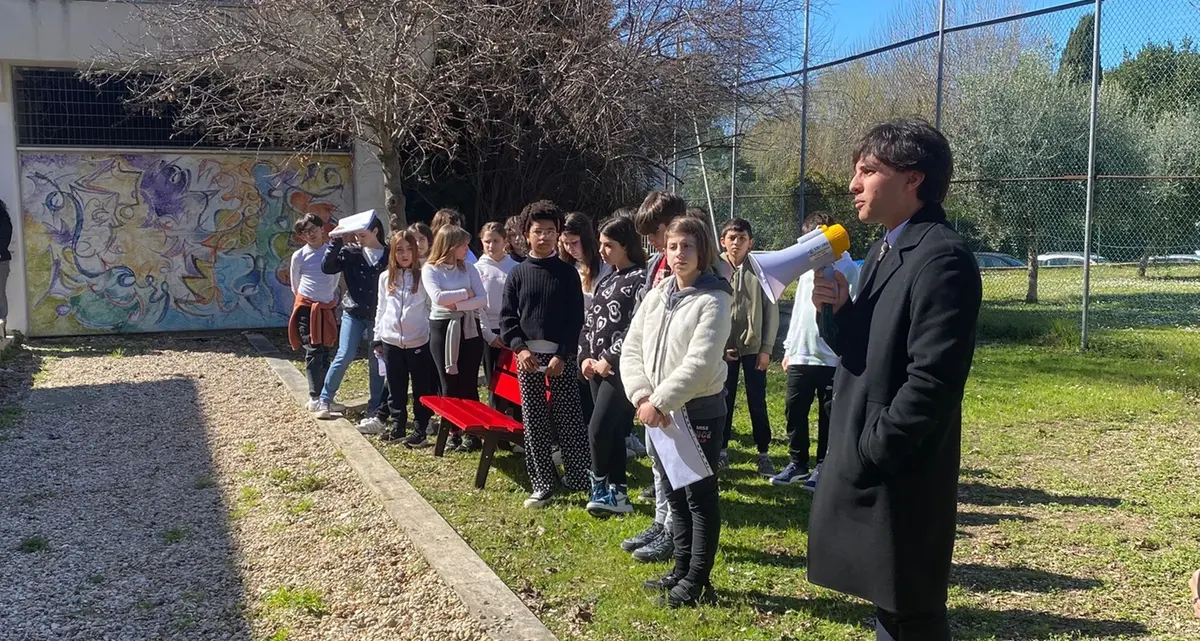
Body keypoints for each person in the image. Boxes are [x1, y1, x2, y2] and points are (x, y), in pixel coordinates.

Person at [808, 118, 982, 641]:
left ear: (913, 178)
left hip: (901, 472)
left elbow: (934, 380)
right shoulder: (888, 248)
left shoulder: (943, 257)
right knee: (893, 606)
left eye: (868, 171)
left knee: (912, 610)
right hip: (875, 461)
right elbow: (866, 351)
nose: (853, 185)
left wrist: (874, 448)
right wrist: (837, 312)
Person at [621, 215, 733, 608]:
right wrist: (642, 397)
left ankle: (697, 581)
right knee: (675, 494)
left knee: (699, 497)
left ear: (703, 251)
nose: (679, 253)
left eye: (688, 246)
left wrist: (659, 402)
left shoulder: (715, 299)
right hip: (657, 412)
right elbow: (632, 348)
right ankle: (681, 568)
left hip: (696, 412)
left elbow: (700, 363)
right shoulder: (657, 295)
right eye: (672, 246)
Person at [500, 200, 589, 509]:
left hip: (560, 358)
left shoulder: (567, 274)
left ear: (558, 234)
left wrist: (562, 355)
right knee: (535, 423)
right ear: (527, 234)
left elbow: (575, 320)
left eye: (551, 231)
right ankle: (542, 484)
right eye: (538, 231)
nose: (544, 237)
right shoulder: (517, 274)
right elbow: (507, 319)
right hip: (527, 358)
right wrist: (520, 348)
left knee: (569, 418)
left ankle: (579, 477)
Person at [771, 211, 860, 489]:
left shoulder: (849, 269)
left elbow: (852, 308)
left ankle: (824, 465)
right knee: (794, 410)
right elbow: (799, 311)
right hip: (801, 354)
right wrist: (789, 347)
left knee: (828, 415)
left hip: (832, 358)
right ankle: (797, 463)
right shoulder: (806, 273)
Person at [620, 189, 686, 563]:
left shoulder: (698, 268)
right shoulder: (656, 265)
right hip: (652, 375)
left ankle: (675, 531)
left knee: (675, 461)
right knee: (656, 456)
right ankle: (661, 522)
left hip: (677, 384)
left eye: (655, 233)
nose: (653, 243)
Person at [580, 213, 647, 516]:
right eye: (601, 244)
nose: (602, 251)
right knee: (614, 431)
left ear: (626, 245)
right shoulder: (607, 278)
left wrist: (610, 358)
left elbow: (637, 327)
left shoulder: (641, 279)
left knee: (597, 429)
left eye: (609, 245)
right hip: (595, 368)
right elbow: (590, 323)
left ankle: (598, 485)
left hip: (619, 370)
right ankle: (618, 493)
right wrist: (584, 356)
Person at [718, 218, 780, 476]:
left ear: (750, 242)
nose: (736, 243)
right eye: (732, 238)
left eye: (742, 238)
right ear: (723, 241)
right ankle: (721, 451)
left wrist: (766, 348)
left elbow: (771, 310)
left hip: (754, 347)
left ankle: (763, 453)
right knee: (724, 398)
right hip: (724, 348)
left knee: (757, 399)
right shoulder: (714, 267)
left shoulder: (761, 270)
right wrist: (719, 347)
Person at [314, 216, 390, 425]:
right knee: (345, 354)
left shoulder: (389, 254)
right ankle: (325, 400)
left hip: (378, 315)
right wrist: (336, 241)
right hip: (353, 311)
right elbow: (327, 267)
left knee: (376, 360)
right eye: (356, 235)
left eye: (362, 235)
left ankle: (375, 407)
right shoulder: (350, 252)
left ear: (376, 231)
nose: (358, 239)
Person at [422, 224, 488, 452]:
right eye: (462, 245)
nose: (466, 249)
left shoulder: (469, 268)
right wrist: (466, 293)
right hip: (443, 327)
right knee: (448, 381)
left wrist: (458, 304)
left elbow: (482, 299)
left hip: (469, 326)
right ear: (450, 246)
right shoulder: (431, 269)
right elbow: (438, 298)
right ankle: (452, 431)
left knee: (469, 380)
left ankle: (473, 432)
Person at [373, 230, 439, 445]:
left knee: (421, 387)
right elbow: (381, 308)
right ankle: (398, 425)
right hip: (391, 341)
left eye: (409, 249)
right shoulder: (385, 278)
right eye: (399, 250)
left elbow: (431, 307)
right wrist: (378, 337)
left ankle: (421, 428)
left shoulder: (424, 276)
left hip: (418, 341)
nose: (404, 254)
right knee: (395, 386)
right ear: (393, 253)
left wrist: (428, 333)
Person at [560, 212, 611, 428]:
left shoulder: (604, 265)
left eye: (574, 242)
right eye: (565, 243)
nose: (570, 248)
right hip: (572, 334)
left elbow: (602, 301)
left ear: (586, 239)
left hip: (596, 335)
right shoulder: (567, 265)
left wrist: (575, 298)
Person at [288, 214, 342, 410]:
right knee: (313, 351)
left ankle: (326, 397)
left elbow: (335, 279)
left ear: (322, 229)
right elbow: (295, 283)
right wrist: (308, 300)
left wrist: (326, 298)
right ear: (301, 236)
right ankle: (314, 396)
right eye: (305, 232)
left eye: (313, 229)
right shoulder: (299, 256)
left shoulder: (332, 253)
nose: (310, 234)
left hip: (326, 307)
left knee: (326, 350)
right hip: (306, 308)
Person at [475, 222, 519, 414]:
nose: (491, 246)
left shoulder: (516, 267)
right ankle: (496, 419)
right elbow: (477, 307)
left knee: (515, 382)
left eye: (496, 241)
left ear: (504, 241)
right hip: (490, 332)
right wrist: (488, 335)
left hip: (513, 330)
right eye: (487, 241)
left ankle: (517, 420)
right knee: (495, 381)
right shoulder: (476, 269)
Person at [0, 199, 11, 340]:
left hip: (1, 261)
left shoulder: (3, 219)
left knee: (0, 295)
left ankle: (1, 330)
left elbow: (4, 238)